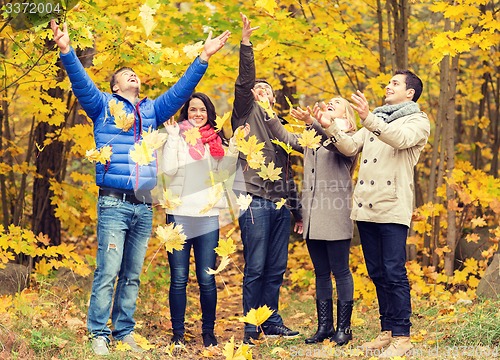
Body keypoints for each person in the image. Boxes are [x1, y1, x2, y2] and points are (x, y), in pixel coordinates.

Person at [50, 19, 230, 356]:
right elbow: (80, 82)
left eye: (136, 73)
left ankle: (124, 331)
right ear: (115, 85)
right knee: (109, 270)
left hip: (143, 206)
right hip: (114, 204)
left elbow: (179, 91)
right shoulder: (102, 106)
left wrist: (203, 57)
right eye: (126, 74)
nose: (134, 75)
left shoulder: (151, 111)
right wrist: (66, 51)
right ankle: (98, 334)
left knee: (132, 274)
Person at [316, 70, 430, 357]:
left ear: (410, 93)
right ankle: (387, 331)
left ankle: (402, 336)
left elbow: (399, 139)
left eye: (395, 83)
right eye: (388, 82)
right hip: (366, 207)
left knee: (394, 271)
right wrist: (330, 127)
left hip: (392, 206)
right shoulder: (377, 118)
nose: (388, 86)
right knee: (378, 272)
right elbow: (351, 146)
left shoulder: (418, 121)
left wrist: (368, 118)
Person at [260, 96, 357, 346]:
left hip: (335, 213)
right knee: (321, 273)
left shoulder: (348, 138)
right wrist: (270, 114)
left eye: (338, 102)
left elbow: (334, 142)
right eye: (330, 101)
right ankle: (325, 326)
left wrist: (315, 122)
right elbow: (289, 139)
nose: (331, 102)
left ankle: (344, 329)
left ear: (347, 116)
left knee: (341, 271)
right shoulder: (315, 136)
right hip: (314, 216)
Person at [231, 13, 301, 346]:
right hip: (253, 198)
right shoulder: (246, 112)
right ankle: (249, 325)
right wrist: (246, 46)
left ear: (273, 99)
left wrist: (297, 210)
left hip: (281, 204)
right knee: (256, 265)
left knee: (276, 267)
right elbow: (245, 83)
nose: (261, 91)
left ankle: (271, 321)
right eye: (258, 88)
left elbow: (290, 172)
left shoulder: (279, 126)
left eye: (266, 90)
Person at [159, 93, 250, 348]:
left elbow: (227, 173)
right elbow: (168, 170)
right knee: (178, 278)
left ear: (209, 113)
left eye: (201, 110)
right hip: (178, 214)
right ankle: (178, 333)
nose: (197, 114)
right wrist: (174, 137)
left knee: (206, 277)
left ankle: (208, 332)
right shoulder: (177, 134)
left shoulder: (217, 141)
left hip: (208, 217)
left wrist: (234, 146)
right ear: (186, 113)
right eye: (192, 110)